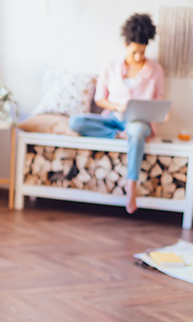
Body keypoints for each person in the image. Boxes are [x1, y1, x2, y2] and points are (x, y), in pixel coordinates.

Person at [68, 13, 166, 214]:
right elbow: (100, 100)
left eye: (142, 51)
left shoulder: (155, 70)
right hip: (113, 118)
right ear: (125, 44)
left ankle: (131, 184)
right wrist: (118, 107)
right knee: (75, 121)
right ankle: (118, 135)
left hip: (138, 121)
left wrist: (162, 114)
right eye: (134, 52)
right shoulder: (110, 67)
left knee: (137, 130)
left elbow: (158, 101)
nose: (139, 56)